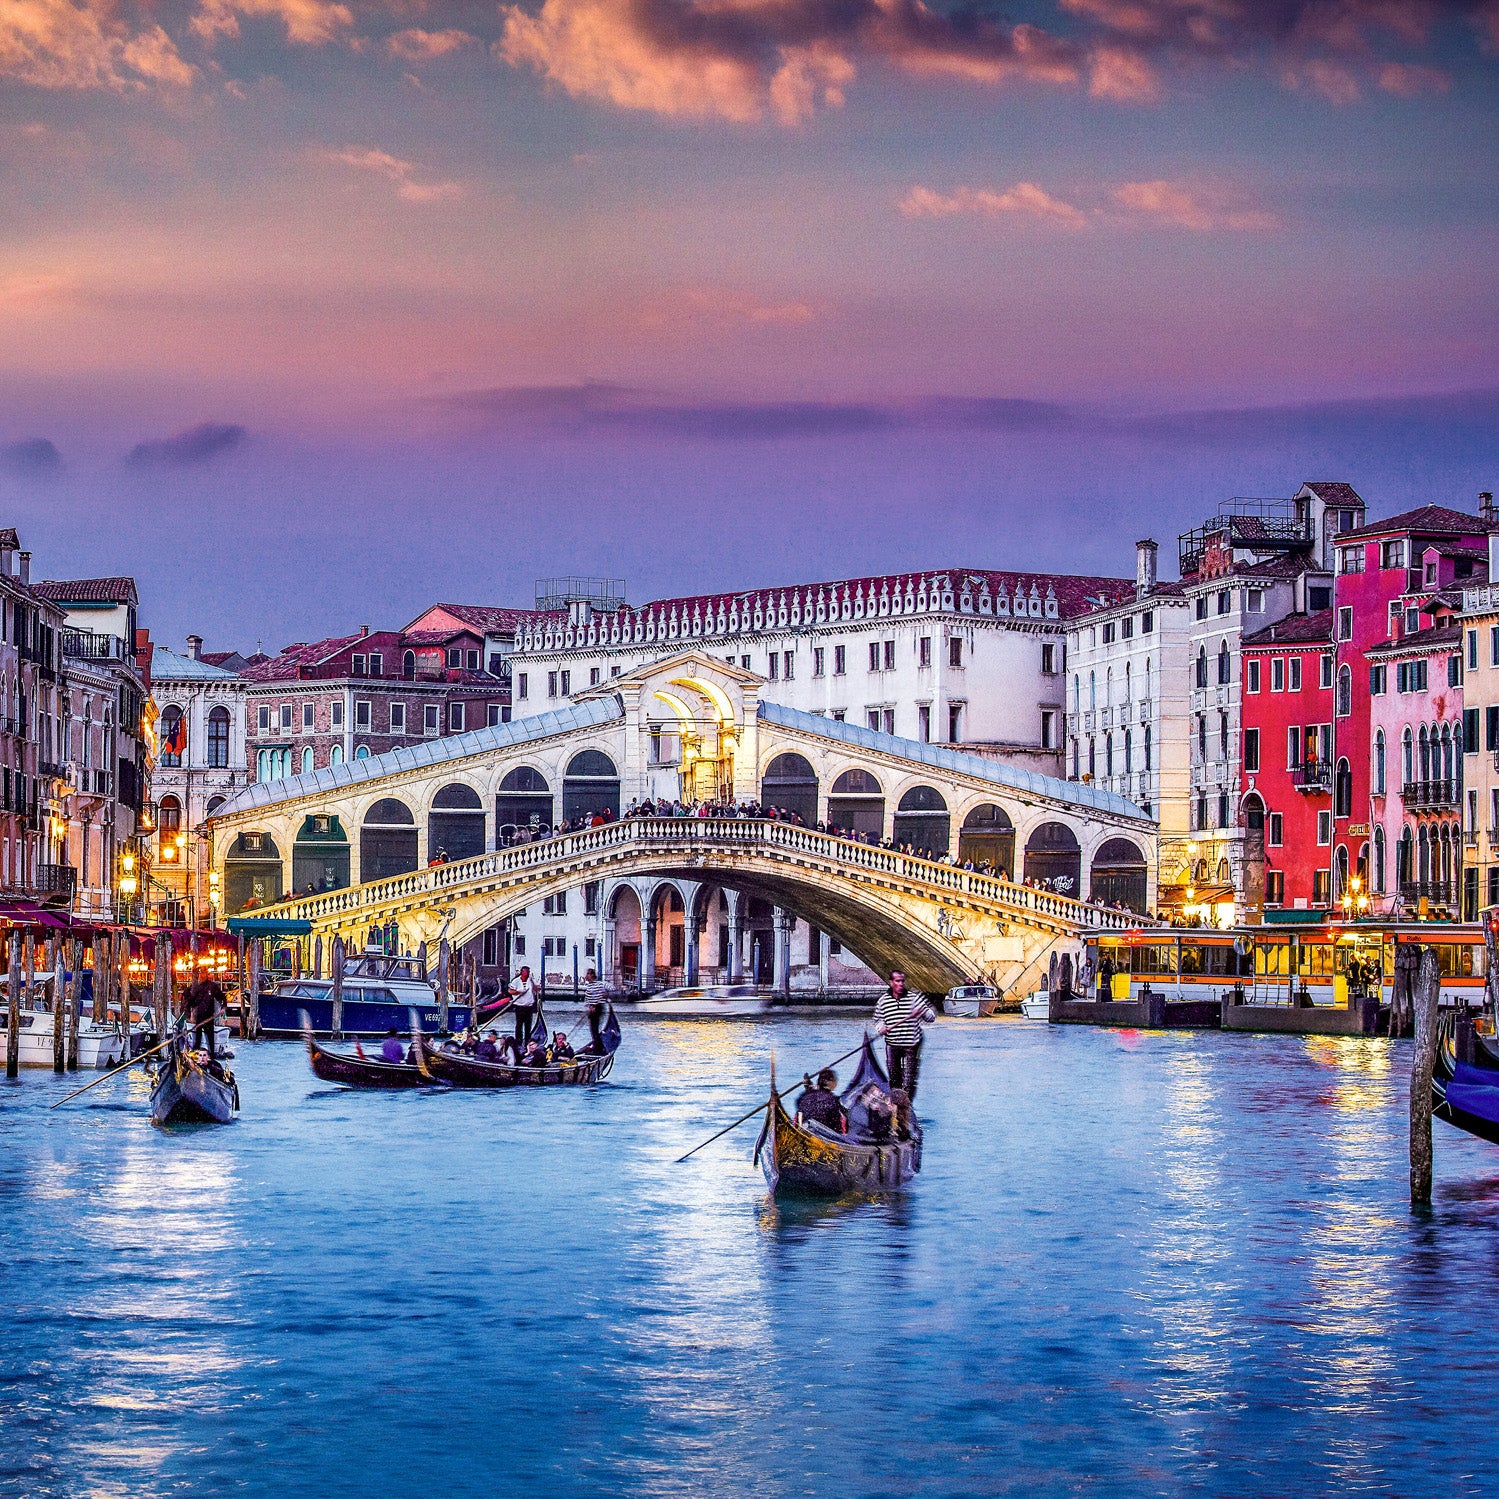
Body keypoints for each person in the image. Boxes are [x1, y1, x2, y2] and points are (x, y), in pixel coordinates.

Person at [873, 971, 935, 1100]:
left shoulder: (913, 998)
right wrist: (881, 1028)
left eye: (902, 981)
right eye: (897, 981)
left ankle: (907, 1105)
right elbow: (878, 1020)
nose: (901, 984)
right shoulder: (883, 1001)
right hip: (892, 1044)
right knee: (894, 1079)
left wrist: (923, 1012)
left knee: (909, 1080)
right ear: (891, 983)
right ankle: (895, 1104)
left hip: (911, 1045)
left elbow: (931, 1018)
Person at [180, 976, 222, 1056]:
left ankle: (211, 1054)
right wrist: (188, 1013)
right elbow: (190, 1002)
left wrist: (223, 1007)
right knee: (198, 1037)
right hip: (200, 1016)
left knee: (210, 1038)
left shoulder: (211, 988)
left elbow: (220, 997)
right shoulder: (196, 989)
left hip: (209, 1017)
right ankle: (196, 1052)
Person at [795, 1068, 845, 1134]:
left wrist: (809, 1089)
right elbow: (837, 1126)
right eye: (835, 1080)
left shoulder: (805, 1096)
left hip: (805, 1130)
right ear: (830, 1083)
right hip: (822, 1135)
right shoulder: (833, 1100)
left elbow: (799, 1103)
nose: (836, 1083)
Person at [509, 965, 540, 1050]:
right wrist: (519, 992)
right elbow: (510, 991)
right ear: (522, 972)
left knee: (528, 1026)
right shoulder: (516, 981)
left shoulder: (531, 981)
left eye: (528, 972)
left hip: (529, 1007)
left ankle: (527, 1042)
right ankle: (518, 1042)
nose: (527, 974)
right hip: (519, 1007)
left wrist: (532, 981)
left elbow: (536, 989)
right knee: (519, 1025)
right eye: (526, 972)